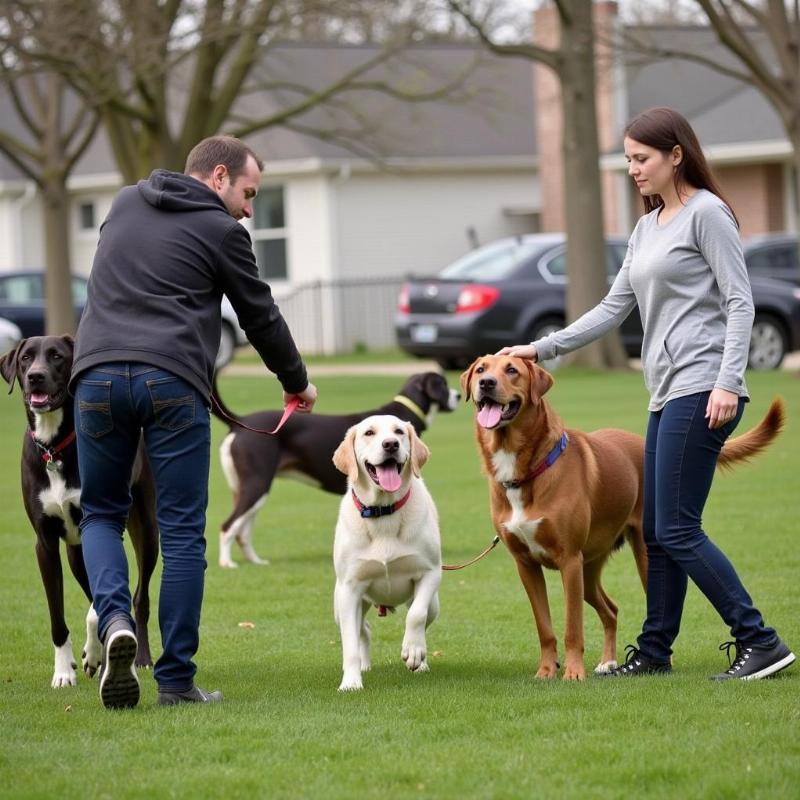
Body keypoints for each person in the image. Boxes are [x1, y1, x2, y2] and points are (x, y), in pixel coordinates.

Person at [497, 107, 794, 681]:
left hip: (704, 385)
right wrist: (544, 348)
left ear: (675, 155)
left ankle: (761, 640)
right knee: (657, 530)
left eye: (641, 158)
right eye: (629, 159)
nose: (632, 169)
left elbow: (740, 302)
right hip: (665, 391)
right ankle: (654, 652)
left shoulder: (708, 215)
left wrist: (729, 381)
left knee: (676, 528)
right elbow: (614, 307)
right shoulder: (648, 225)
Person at [70, 135, 318, 708]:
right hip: (171, 382)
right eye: (248, 193)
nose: (250, 209)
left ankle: (114, 625)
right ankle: (176, 683)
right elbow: (259, 315)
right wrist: (296, 381)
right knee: (182, 532)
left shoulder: (125, 203)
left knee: (101, 514)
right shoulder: (223, 232)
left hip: (97, 377)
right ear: (219, 176)